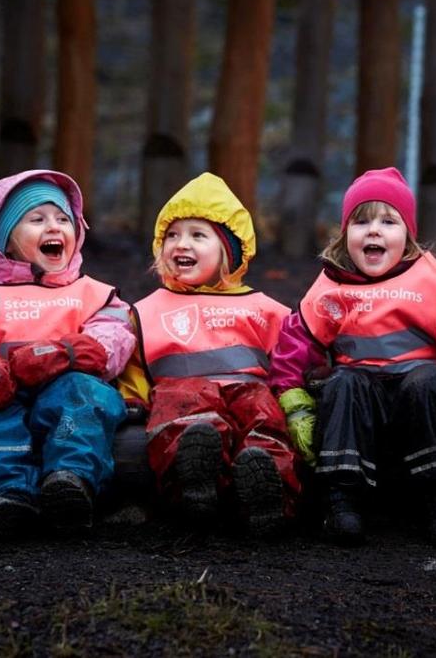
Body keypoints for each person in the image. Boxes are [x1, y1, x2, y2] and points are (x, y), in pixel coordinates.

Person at [269, 167, 436, 549]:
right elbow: (293, 345)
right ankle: (342, 502)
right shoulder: (332, 288)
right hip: (362, 404)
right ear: (345, 233)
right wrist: (293, 400)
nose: (374, 230)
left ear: (409, 234)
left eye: (388, 221)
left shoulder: (431, 283)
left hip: (419, 399)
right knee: (343, 382)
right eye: (361, 221)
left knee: (432, 381)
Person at [0, 170, 136, 536]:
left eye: (63, 219)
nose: (54, 227)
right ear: (6, 242)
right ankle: (7, 494)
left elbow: (115, 338)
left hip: (66, 394)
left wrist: (66, 352)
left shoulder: (93, 293)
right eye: (37, 219)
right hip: (3, 399)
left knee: (86, 393)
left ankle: (70, 481)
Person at [118, 172, 300, 536]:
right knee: (186, 417)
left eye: (197, 235)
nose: (181, 244)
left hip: (248, 393)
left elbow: (289, 361)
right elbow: (133, 364)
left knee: (263, 417)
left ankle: (267, 492)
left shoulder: (264, 309)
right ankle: (194, 488)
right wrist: (132, 399)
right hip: (183, 395)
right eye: (172, 235)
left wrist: (297, 398)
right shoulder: (147, 310)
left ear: (228, 252)